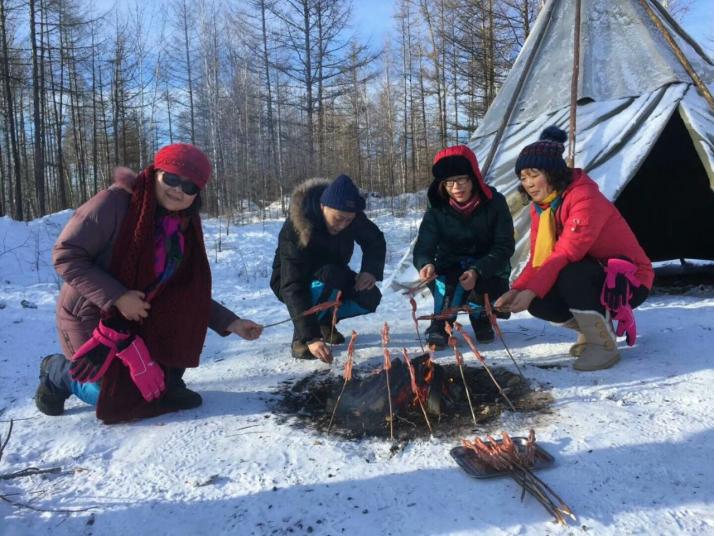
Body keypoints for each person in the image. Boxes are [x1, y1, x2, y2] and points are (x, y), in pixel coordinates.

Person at [35, 143, 263, 423]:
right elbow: (66, 255)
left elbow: (187, 292)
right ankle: (57, 373)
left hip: (141, 318)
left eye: (190, 187)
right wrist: (118, 297)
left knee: (153, 378)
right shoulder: (114, 204)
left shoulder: (183, 226)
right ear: (155, 172)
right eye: (172, 178)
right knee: (112, 393)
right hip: (91, 312)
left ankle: (166, 382)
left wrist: (231, 323)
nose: (179, 190)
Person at [495, 126, 654, 371]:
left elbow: (567, 253)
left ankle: (603, 346)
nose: (528, 183)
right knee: (539, 301)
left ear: (552, 173)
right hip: (597, 276)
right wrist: (518, 289)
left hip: (628, 281)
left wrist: (530, 290)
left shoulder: (584, 197)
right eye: (523, 177)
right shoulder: (543, 207)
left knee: (571, 272)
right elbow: (540, 258)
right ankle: (598, 332)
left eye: (534, 174)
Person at [271, 174, 386, 363]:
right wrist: (310, 337)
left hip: (333, 276)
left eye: (348, 220)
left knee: (369, 296)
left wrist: (370, 270)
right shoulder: (298, 226)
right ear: (323, 207)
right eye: (338, 218)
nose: (343, 225)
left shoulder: (351, 215)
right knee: (327, 277)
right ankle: (302, 337)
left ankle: (325, 322)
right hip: (291, 281)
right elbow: (292, 285)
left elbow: (374, 240)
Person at [413, 145, 515, 349]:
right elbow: (425, 244)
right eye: (449, 182)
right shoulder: (438, 208)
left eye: (461, 179)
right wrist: (426, 263)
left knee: (483, 287)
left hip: (487, 267)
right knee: (447, 284)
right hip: (449, 267)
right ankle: (441, 322)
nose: (456, 187)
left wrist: (477, 271)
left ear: (473, 178)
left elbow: (504, 246)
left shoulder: (494, 203)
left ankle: (480, 317)